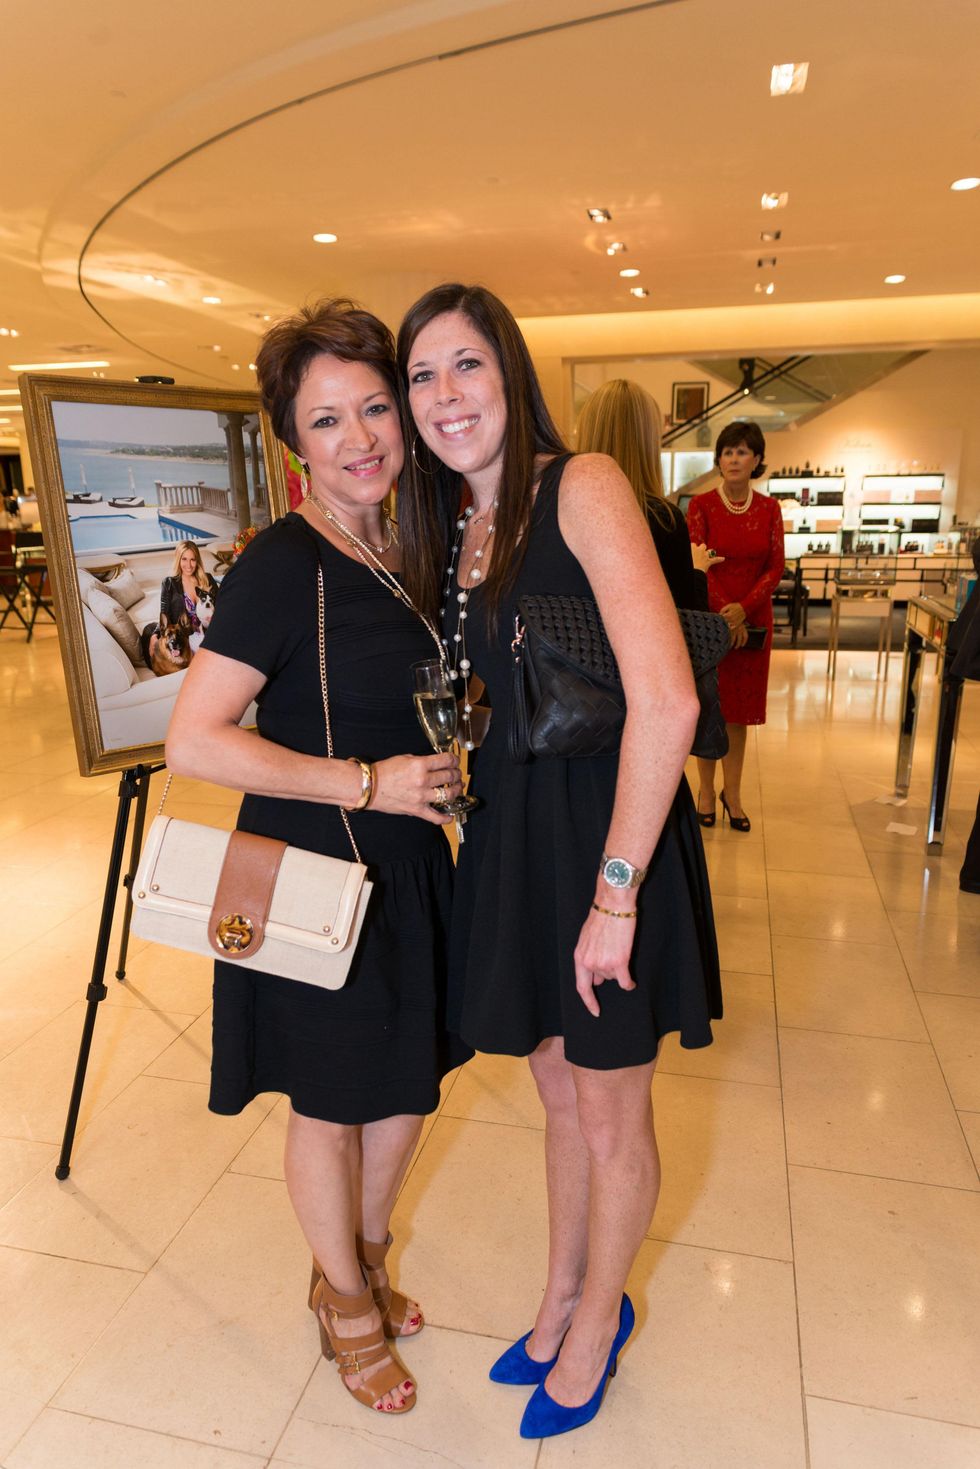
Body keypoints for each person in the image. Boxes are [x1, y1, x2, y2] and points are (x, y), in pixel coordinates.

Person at [396, 284, 722, 1441]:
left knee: (607, 1108)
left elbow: (668, 696)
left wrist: (615, 895)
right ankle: (560, 1293)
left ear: (511, 374)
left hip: (602, 844)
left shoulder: (576, 487)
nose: (445, 396)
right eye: (423, 375)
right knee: (552, 1087)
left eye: (466, 366)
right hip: (513, 840)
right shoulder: (457, 525)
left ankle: (600, 1320)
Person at [166, 299, 472, 1417]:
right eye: (328, 418)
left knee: (409, 1083)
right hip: (311, 866)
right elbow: (195, 737)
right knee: (331, 1100)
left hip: (407, 865)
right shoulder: (280, 564)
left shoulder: (410, 539)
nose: (361, 437)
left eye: (375, 407)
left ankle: (362, 1251)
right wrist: (364, 780)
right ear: (294, 442)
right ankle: (345, 1294)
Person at [686, 421, 784, 831]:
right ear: (719, 459)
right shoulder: (701, 506)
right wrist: (728, 612)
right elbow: (696, 562)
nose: (734, 459)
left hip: (754, 622)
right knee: (710, 707)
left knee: (739, 715)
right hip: (712, 623)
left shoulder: (769, 509)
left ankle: (735, 793)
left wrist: (744, 609)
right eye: (727, 451)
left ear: (757, 459)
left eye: (743, 451)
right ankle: (706, 792)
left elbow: (775, 567)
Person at [575, 377, 720, 610]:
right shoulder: (663, 520)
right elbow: (687, 623)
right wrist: (697, 572)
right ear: (648, 442)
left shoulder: (561, 511)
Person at [140, 540, 220, 666]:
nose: (189, 565)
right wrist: (154, 635)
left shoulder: (208, 579)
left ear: (197, 560)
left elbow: (222, 606)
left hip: (208, 633)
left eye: (193, 559)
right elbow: (164, 613)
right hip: (184, 639)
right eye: (184, 559)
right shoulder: (169, 583)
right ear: (178, 559)